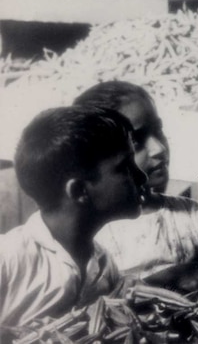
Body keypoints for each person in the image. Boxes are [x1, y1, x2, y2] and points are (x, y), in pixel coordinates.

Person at [74, 81, 198, 295]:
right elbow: (87, 309)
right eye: (137, 141)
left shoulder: (196, 217)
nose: (158, 148)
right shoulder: (88, 234)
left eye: (158, 131)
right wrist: (165, 280)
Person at [0, 106, 147, 328]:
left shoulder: (105, 265)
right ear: (79, 191)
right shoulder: (9, 258)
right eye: (124, 167)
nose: (142, 176)